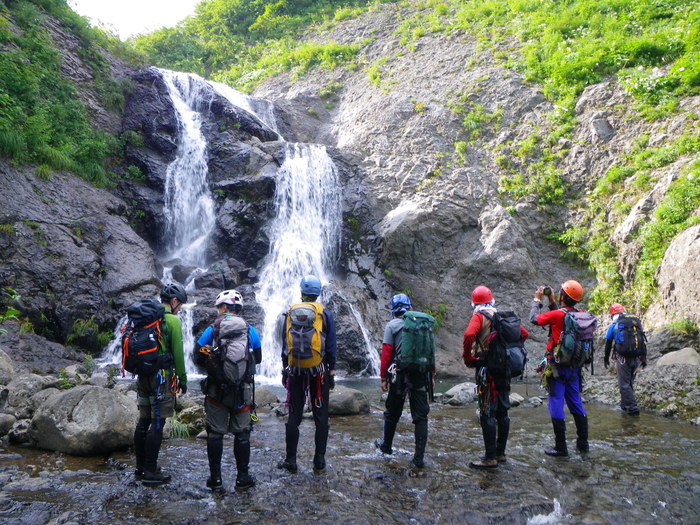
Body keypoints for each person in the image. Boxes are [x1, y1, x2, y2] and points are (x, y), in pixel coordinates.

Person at [193, 289, 262, 491]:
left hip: (216, 391)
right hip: (242, 391)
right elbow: (258, 358)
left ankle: (215, 480)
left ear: (224, 307)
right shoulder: (250, 330)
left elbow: (197, 357)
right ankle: (242, 478)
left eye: (218, 307)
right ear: (237, 309)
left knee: (215, 433)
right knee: (242, 434)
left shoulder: (212, 329)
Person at [462, 286, 528, 468]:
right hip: (504, 369)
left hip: (486, 369)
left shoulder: (479, 316)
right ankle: (500, 454)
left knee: (487, 411)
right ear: (492, 300)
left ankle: (489, 457)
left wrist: (468, 357)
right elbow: (524, 334)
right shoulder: (502, 317)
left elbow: (469, 334)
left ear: (474, 302)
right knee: (502, 411)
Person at [277, 275, 336, 473]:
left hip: (295, 370)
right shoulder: (324, 314)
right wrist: (331, 371)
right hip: (318, 371)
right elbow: (331, 345)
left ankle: (290, 460)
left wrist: (285, 369)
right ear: (318, 293)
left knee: (294, 415)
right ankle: (319, 460)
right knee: (321, 416)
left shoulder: (290, 313)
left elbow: (285, 345)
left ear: (301, 292)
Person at [134, 283, 188, 485]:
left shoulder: (146, 318)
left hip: (143, 376)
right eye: (180, 304)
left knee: (143, 420)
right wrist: (182, 380)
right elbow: (178, 354)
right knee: (158, 422)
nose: (181, 308)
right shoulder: (172, 321)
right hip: (162, 378)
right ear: (173, 301)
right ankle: (150, 470)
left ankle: (140, 467)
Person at [529, 281, 589, 457]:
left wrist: (537, 300)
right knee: (576, 402)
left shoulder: (557, 315)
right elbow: (560, 317)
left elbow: (534, 319)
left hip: (557, 367)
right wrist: (552, 301)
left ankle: (561, 447)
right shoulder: (581, 315)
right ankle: (583, 444)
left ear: (563, 296)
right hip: (574, 368)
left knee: (555, 403)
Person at [375, 293, 433, 469]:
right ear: (409, 307)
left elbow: (386, 354)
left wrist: (383, 377)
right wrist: (433, 376)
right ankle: (418, 458)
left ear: (393, 310)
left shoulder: (392, 325)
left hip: (398, 374)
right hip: (421, 374)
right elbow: (431, 352)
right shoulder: (422, 323)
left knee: (392, 412)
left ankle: (386, 446)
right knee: (421, 416)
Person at [604, 303, 646, 416]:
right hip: (637, 357)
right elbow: (642, 340)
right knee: (629, 382)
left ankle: (633, 408)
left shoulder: (614, 325)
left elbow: (608, 343)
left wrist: (605, 359)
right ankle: (624, 405)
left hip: (623, 359)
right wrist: (644, 359)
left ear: (612, 314)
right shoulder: (634, 323)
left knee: (624, 384)